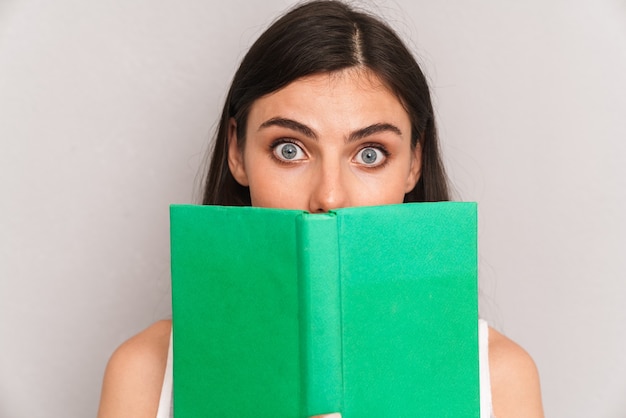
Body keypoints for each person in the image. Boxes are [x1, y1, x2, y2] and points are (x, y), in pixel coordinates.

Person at [97, 1, 544, 417]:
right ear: (237, 151)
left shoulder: (499, 377)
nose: (329, 196)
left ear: (413, 164)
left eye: (370, 154)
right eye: (289, 149)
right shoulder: (146, 372)